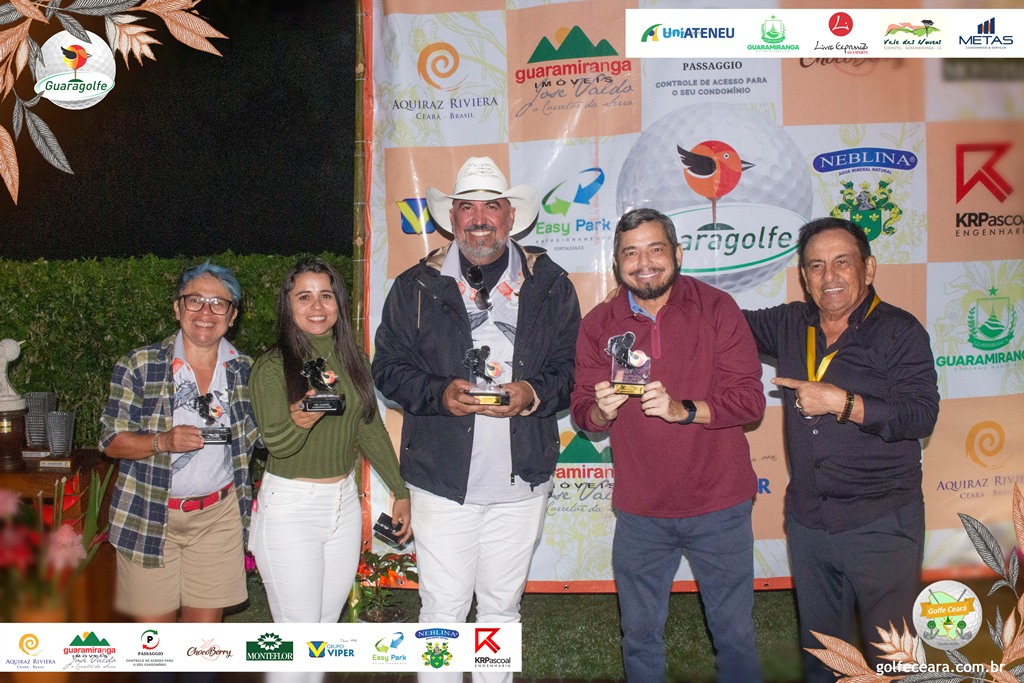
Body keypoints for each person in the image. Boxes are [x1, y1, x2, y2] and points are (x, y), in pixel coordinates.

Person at [372, 156, 580, 682]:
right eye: (467, 207)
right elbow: (388, 369)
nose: (479, 218)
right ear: (452, 218)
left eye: (491, 207)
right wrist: (439, 394)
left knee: (501, 612)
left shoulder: (550, 283)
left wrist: (532, 392)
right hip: (441, 480)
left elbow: (571, 369)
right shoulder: (415, 285)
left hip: (521, 481)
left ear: (511, 216)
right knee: (442, 612)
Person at [570, 208, 765, 683]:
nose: (644, 263)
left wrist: (685, 410)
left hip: (719, 505)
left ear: (677, 253)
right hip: (641, 512)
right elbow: (582, 410)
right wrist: (601, 412)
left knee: (734, 635)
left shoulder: (717, 308)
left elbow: (750, 400)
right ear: (617, 263)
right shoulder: (598, 323)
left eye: (655, 249)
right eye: (630, 253)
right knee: (639, 638)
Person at [743, 217, 939, 681]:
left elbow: (920, 415)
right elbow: (720, 320)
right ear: (803, 276)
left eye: (841, 262)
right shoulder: (790, 323)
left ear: (868, 268)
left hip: (881, 522)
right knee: (823, 656)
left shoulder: (899, 331)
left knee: (893, 659)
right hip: (810, 522)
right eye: (816, 266)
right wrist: (650, 295)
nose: (828, 276)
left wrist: (843, 403)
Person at [248, 256, 412, 632]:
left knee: (323, 628)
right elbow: (277, 444)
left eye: (326, 295)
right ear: (288, 306)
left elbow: (369, 428)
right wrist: (302, 418)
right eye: (304, 297)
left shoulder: (354, 361)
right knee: (300, 633)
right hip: (291, 509)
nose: (317, 306)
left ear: (339, 302)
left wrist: (400, 490)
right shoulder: (272, 367)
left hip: (344, 504)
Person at [100, 261, 259, 625]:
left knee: (200, 645)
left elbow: (269, 435)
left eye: (219, 303)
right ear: (177, 307)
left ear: (232, 316)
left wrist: (303, 410)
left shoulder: (246, 371)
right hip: (149, 513)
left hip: (218, 518)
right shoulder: (140, 365)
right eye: (195, 300)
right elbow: (111, 441)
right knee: (155, 646)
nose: (206, 312)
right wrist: (163, 441)